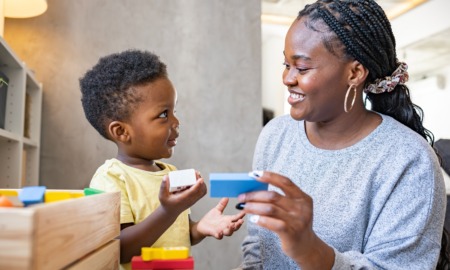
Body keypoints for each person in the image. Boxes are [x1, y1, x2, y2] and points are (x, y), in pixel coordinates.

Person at [237, 0, 449, 269]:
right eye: (286, 64)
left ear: (355, 73)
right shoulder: (274, 135)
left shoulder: (410, 160)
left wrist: (310, 250)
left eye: (302, 68)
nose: (287, 78)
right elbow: (257, 245)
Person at [79, 50, 245, 270]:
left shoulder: (169, 172)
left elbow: (175, 234)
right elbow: (120, 248)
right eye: (163, 115)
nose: (176, 122)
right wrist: (169, 211)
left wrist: (199, 229)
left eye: (174, 111)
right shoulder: (111, 178)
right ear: (121, 131)